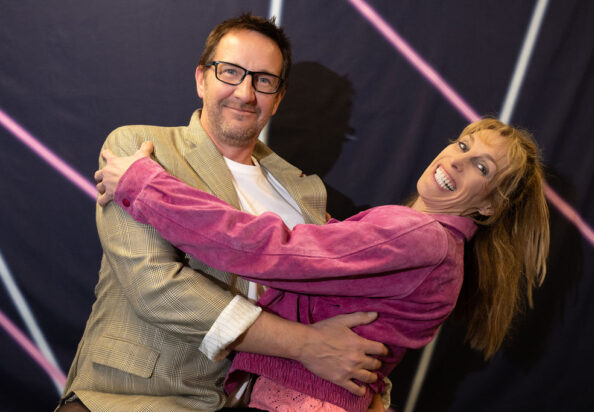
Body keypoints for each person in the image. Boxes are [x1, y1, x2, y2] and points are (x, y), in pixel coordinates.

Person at [94, 118, 551, 412]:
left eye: (482, 168)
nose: (458, 160)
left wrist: (144, 185)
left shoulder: (421, 237)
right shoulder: (433, 244)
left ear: (491, 206)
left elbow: (271, 251)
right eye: (463, 144)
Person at [57, 13, 388, 412]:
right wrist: (306, 345)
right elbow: (155, 286)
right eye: (230, 72)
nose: (245, 93)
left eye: (263, 80)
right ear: (202, 79)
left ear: (278, 98)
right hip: (132, 397)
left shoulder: (301, 194)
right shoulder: (142, 150)